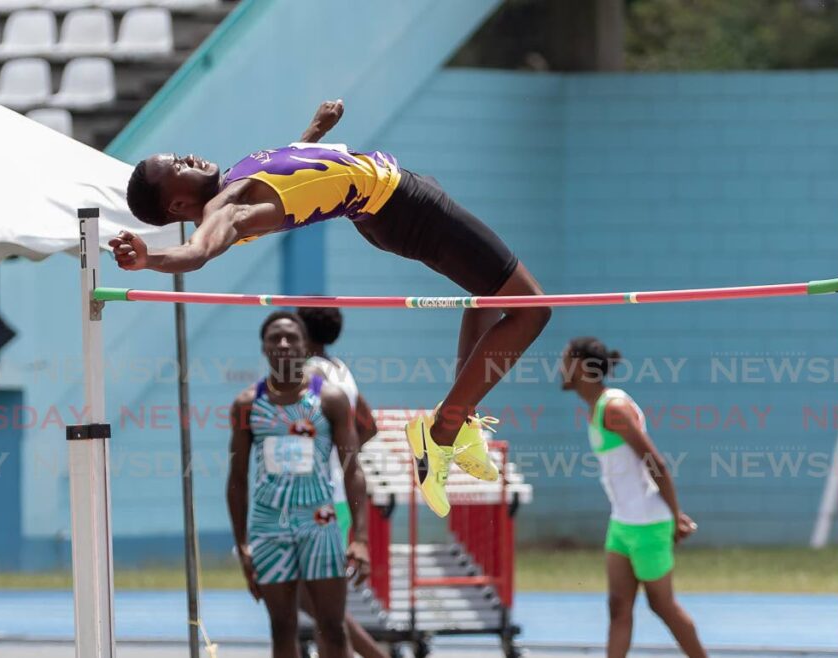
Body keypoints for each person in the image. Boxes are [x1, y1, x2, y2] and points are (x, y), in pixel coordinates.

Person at [112, 99, 551, 517]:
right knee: (531, 308)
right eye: (178, 166)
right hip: (402, 208)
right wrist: (150, 258)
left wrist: (315, 131)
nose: (188, 156)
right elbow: (198, 250)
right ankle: (442, 431)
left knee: (490, 295)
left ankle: (460, 421)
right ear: (177, 204)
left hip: (391, 203)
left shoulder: (234, 181)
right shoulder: (225, 210)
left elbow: (295, 175)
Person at [227, 311, 370, 658]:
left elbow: (353, 470)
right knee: (282, 627)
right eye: (274, 337)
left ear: (306, 346)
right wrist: (243, 542)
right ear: (263, 347)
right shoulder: (248, 403)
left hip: (319, 521)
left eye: (292, 337)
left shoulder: (329, 399)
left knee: (332, 627)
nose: (284, 343)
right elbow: (237, 478)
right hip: (268, 525)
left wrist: (361, 538)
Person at [561, 337, 707, 658]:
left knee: (663, 606)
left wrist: (675, 515)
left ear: (584, 367)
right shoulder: (599, 407)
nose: (560, 369)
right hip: (622, 524)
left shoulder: (613, 409)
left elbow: (656, 463)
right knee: (618, 608)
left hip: (647, 523)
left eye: (565, 361)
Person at [297, 306, 388, 658]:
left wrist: (330, 457)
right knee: (317, 601)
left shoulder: (311, 375)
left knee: (314, 600)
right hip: (335, 494)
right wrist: (341, 456)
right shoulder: (341, 371)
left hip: (317, 497)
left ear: (303, 333)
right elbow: (369, 425)